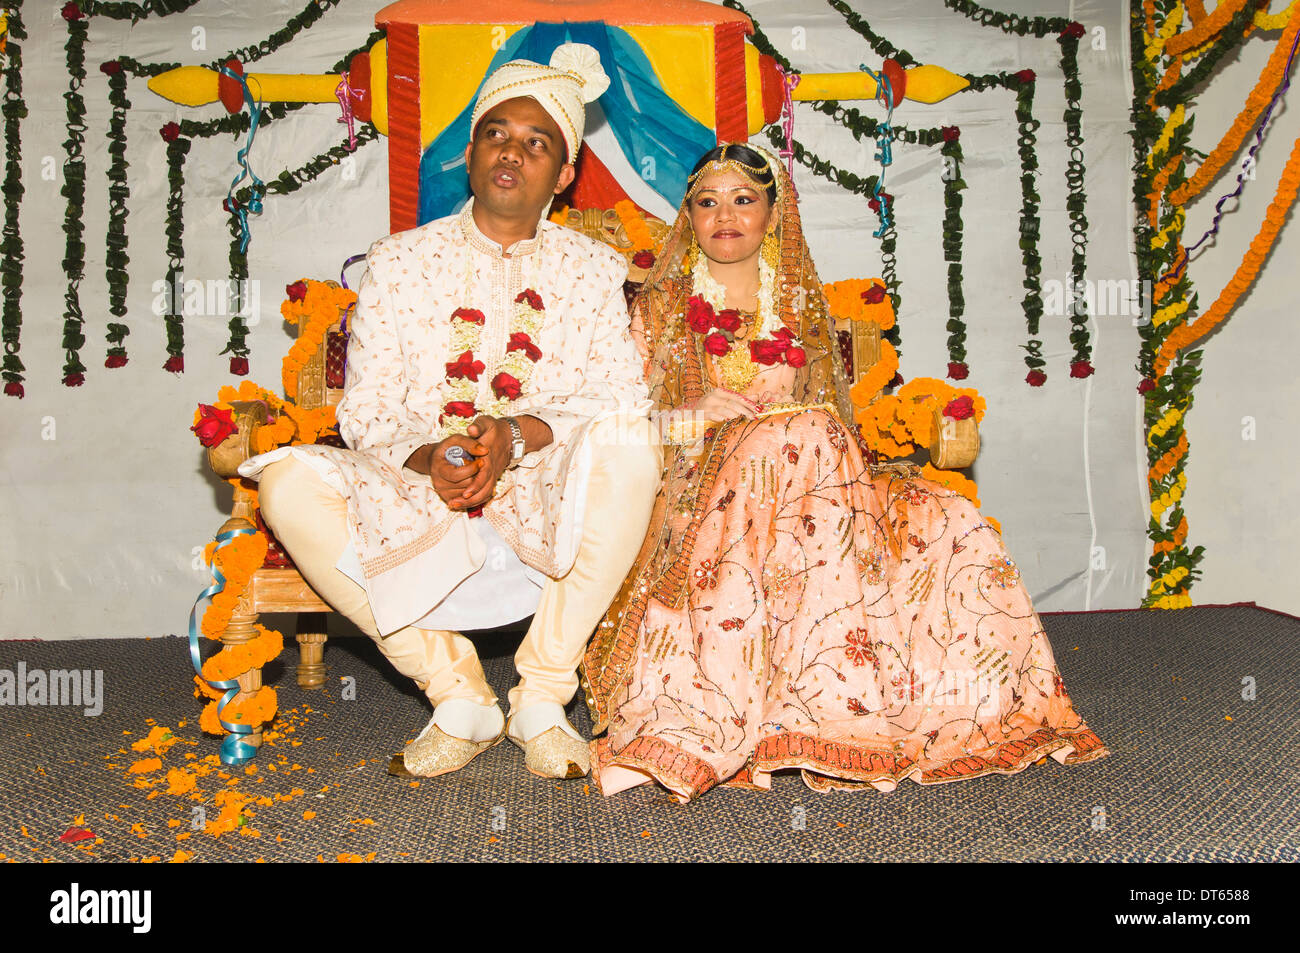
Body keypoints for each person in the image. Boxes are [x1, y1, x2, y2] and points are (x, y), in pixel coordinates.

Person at [583, 143, 1108, 800]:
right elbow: (619, 428)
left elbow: (834, 418)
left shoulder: (797, 303)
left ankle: (854, 709)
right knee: (800, 433)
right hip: (704, 487)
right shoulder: (660, 307)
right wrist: (692, 412)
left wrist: (801, 436)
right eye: (707, 201)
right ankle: (721, 716)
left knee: (945, 517)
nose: (725, 215)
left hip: (815, 491)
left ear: (772, 214)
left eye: (744, 199)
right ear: (688, 213)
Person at [240, 43, 660, 781]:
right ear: (470, 153)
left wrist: (519, 437)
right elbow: (366, 409)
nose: (512, 154)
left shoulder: (594, 270)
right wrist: (431, 456)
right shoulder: (399, 261)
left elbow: (617, 394)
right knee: (284, 485)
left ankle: (543, 696)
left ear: (564, 175)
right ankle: (459, 694)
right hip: (415, 480)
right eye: (497, 134)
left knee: (631, 442)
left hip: (543, 480)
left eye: (538, 144)